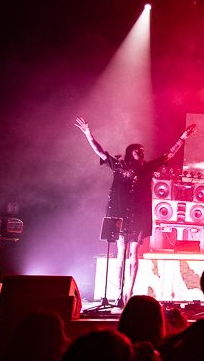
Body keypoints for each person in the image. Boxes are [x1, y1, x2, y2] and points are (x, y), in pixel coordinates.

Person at [75, 117, 196, 305]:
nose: (141, 151)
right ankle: (118, 293)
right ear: (130, 152)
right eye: (137, 150)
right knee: (121, 255)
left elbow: (168, 155)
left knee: (134, 255)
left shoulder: (147, 168)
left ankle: (129, 293)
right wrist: (88, 134)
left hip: (139, 216)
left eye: (143, 150)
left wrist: (182, 138)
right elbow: (100, 152)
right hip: (120, 215)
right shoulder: (119, 165)